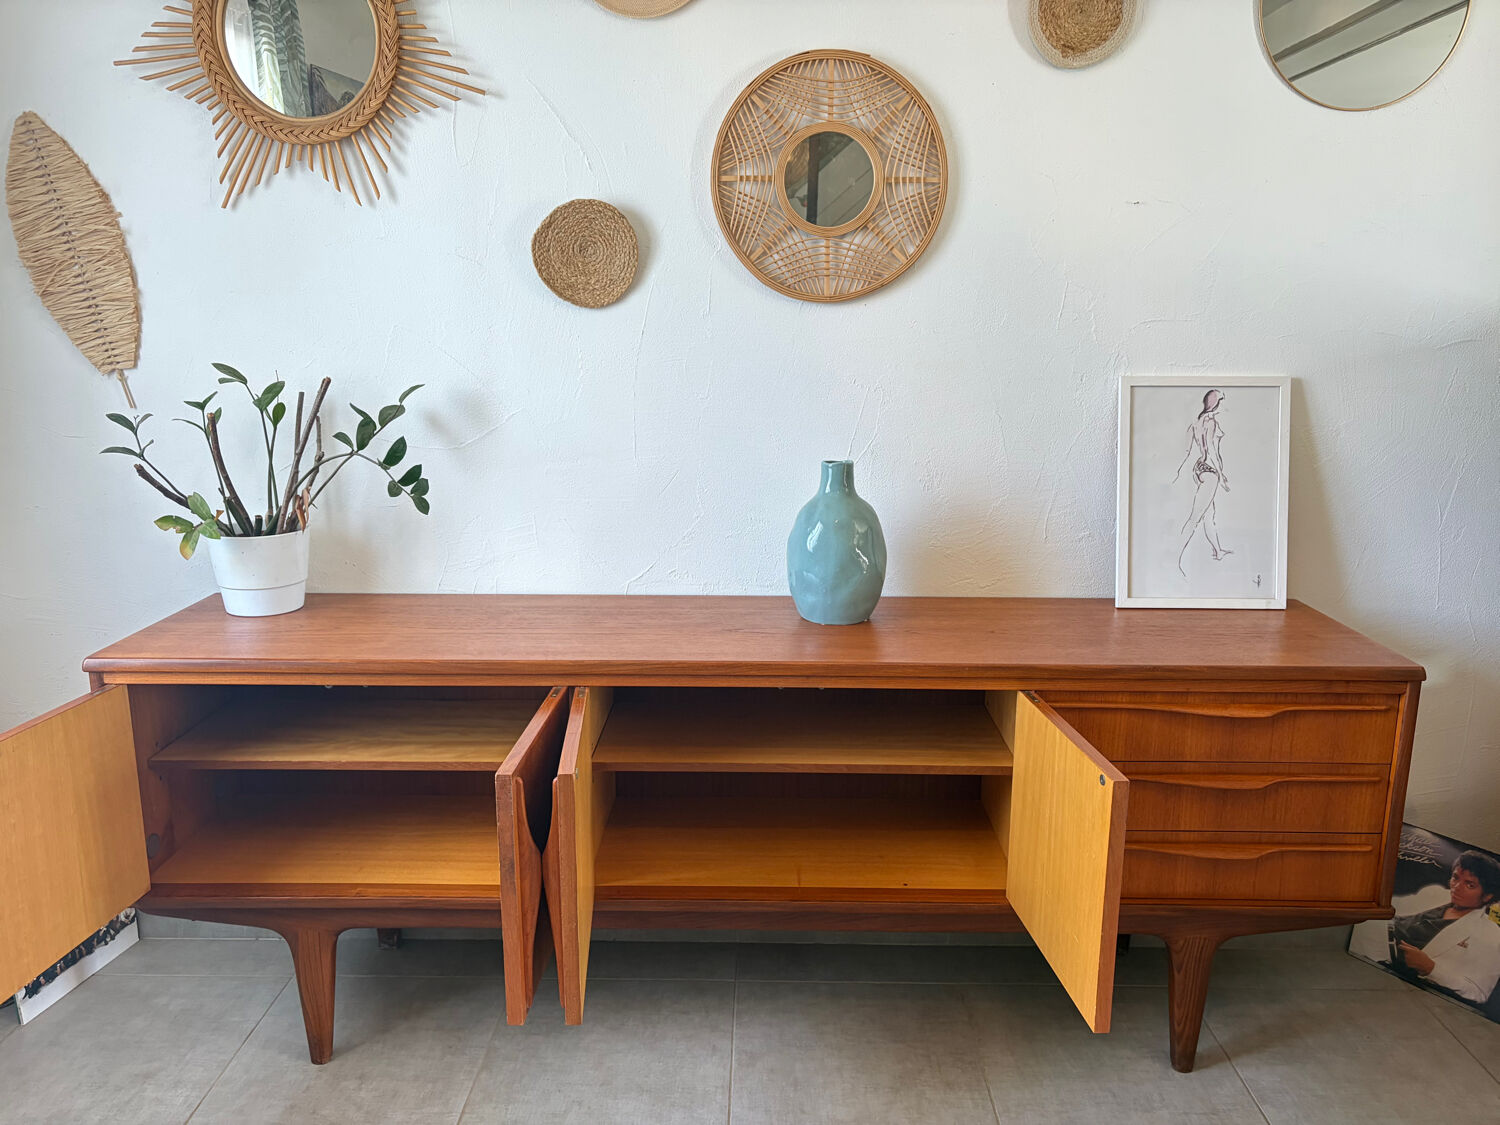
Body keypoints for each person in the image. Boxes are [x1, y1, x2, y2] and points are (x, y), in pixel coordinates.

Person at [1367, 851, 1500, 1004]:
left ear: (1488, 895)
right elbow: (1393, 906)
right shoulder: (1435, 893)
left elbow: (1478, 994)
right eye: (1455, 878)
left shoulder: (1492, 936)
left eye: (1469, 885)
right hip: (1370, 942)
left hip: (1395, 978)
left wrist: (1430, 968)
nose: (1456, 887)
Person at [1172, 389, 1232, 577]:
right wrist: (1221, 476)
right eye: (1221, 401)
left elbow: (1188, 450)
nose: (1223, 405)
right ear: (1215, 403)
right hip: (1210, 472)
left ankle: (1218, 550)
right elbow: (1212, 451)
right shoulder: (1211, 422)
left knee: (1208, 515)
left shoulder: (1197, 422)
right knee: (1194, 518)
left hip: (1200, 470)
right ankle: (1174, 560)